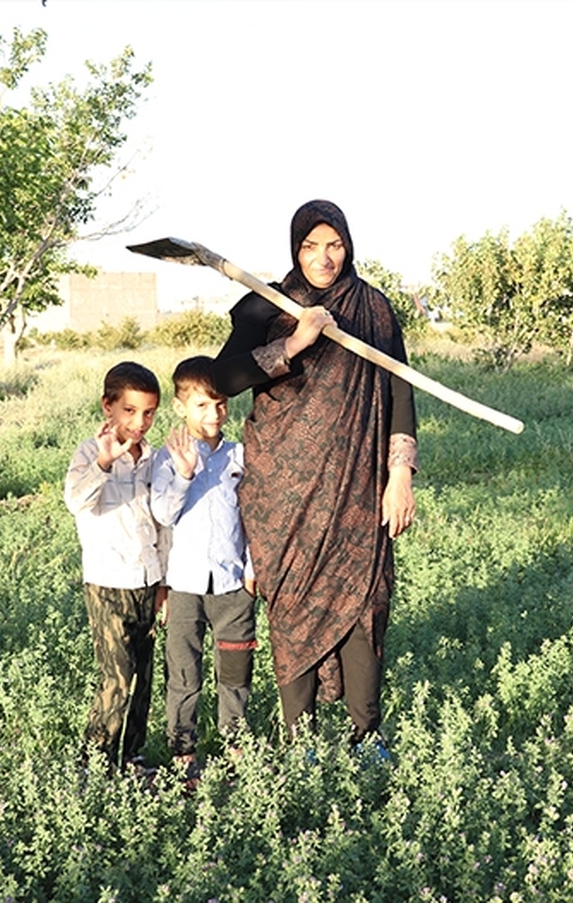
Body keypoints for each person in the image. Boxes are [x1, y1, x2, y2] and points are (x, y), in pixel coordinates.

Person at [211, 199, 417, 752]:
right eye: (310, 247)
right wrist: (294, 342)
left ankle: (365, 735)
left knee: (365, 601)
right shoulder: (266, 306)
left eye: (334, 245)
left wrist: (400, 472)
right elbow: (223, 377)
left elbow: (400, 389)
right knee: (294, 601)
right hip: (284, 490)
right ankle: (297, 741)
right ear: (295, 248)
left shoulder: (372, 309)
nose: (324, 258)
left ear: (348, 246)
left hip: (357, 483)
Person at [151, 356, 257, 784]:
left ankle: (236, 749)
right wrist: (183, 474)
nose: (212, 414)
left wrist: (253, 568)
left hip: (234, 584)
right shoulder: (168, 457)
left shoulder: (241, 455)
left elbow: (255, 516)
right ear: (180, 407)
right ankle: (183, 754)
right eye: (201, 405)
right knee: (183, 672)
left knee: (235, 672)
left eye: (219, 404)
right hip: (185, 585)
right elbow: (162, 512)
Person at [64, 360, 162, 775]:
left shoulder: (156, 459)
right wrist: (104, 463)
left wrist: (166, 583)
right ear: (108, 406)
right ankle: (96, 758)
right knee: (117, 678)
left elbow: (163, 523)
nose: (139, 422)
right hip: (108, 584)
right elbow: (77, 502)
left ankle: (132, 755)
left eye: (149, 413)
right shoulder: (90, 453)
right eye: (130, 411)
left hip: (149, 582)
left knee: (143, 679)